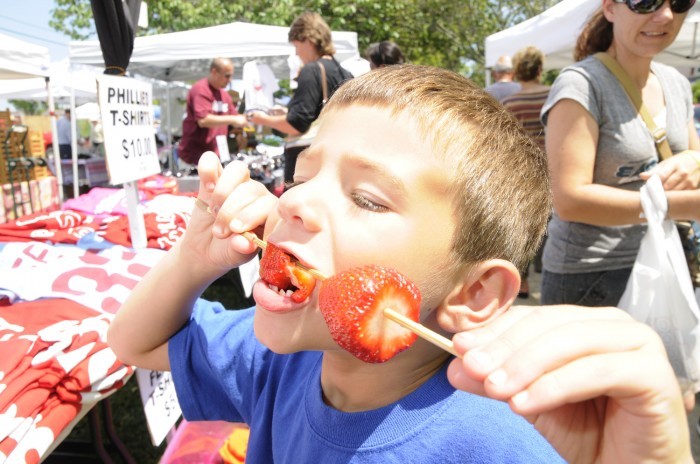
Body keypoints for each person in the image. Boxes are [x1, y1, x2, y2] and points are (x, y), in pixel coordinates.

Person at [107, 65, 692, 463]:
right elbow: (135, 343)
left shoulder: (498, 443)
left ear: (476, 292)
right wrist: (192, 259)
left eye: (367, 198)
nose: (294, 201)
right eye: (302, 175)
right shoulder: (283, 362)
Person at [540, 0, 700, 307]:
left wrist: (694, 161)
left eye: (679, 2)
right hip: (592, 276)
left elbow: (695, 157)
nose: (666, 14)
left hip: (664, 259)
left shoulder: (677, 83)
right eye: (646, 2)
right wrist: (683, 205)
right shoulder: (583, 84)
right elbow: (570, 201)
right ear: (611, 8)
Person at [248, 12, 353, 183]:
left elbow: (296, 124)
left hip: (308, 167)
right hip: (336, 161)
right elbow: (317, 112)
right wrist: (288, 110)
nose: (296, 53)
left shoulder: (311, 70)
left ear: (308, 39)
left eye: (296, 46)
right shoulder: (345, 73)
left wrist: (263, 119)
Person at [502, 46, 551, 298]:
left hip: (525, 172)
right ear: (540, 70)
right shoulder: (554, 96)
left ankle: (522, 282)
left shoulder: (511, 102)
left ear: (517, 71)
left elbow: (507, 143)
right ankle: (548, 270)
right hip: (556, 169)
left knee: (526, 227)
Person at [178, 57, 249, 167]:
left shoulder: (224, 96)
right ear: (214, 72)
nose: (230, 80)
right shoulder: (201, 89)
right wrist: (234, 119)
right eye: (227, 75)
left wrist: (247, 119)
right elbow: (203, 120)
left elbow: (235, 119)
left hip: (217, 156)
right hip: (195, 158)